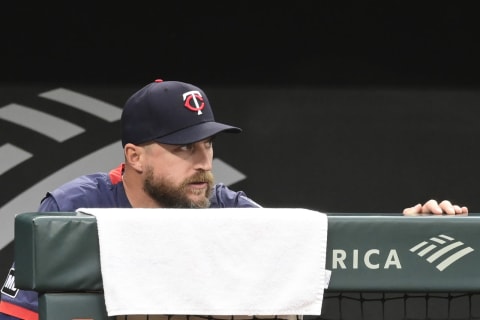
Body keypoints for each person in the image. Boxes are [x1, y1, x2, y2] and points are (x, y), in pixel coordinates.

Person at [0, 79, 468, 320]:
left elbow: (315, 252)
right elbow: (14, 315)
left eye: (207, 145)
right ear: (135, 156)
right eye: (183, 149)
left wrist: (413, 231)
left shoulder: (226, 208)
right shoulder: (71, 210)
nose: (202, 162)